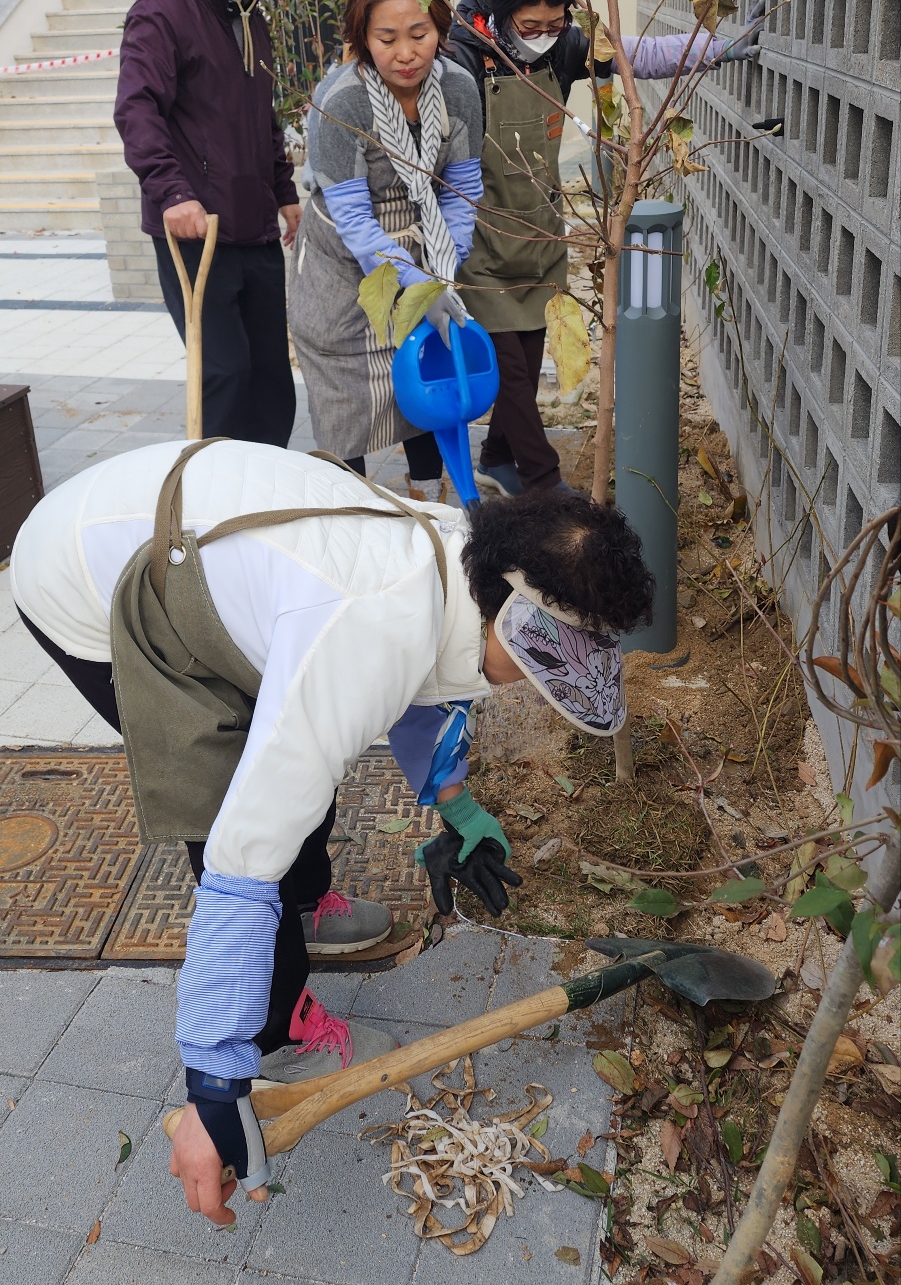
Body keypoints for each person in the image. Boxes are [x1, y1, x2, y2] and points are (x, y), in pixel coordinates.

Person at [10, 436, 653, 1225]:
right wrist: (213, 1084)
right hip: (91, 578)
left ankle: (310, 907)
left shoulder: (463, 560)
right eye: (540, 659)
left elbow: (419, 687)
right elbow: (242, 862)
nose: (536, 682)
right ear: (507, 608)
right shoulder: (366, 621)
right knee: (246, 816)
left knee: (296, 753)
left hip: (189, 538)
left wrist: (455, 807)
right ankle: (276, 1034)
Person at [450, 0, 765, 496]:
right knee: (513, 372)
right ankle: (542, 480)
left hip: (538, 227)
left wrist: (719, 47)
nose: (545, 34)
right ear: (503, 13)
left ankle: (498, 456)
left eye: (557, 22)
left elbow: (639, 55)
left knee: (524, 354)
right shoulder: (464, 56)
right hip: (478, 234)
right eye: (531, 25)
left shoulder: (567, 46)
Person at [114, 0, 302, 447]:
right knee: (225, 374)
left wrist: (285, 190)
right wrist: (172, 192)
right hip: (196, 229)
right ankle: (212, 504)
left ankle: (264, 495)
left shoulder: (247, 12)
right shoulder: (162, 8)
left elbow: (259, 108)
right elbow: (136, 109)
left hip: (253, 223)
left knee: (273, 379)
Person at [289, 0, 484, 501]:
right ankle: (350, 509)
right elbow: (352, 215)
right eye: (386, 38)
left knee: (423, 380)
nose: (405, 54)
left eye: (419, 34)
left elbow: (463, 190)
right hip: (343, 265)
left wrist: (442, 274)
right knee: (344, 399)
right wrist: (414, 282)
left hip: (425, 245)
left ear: (440, 25)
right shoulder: (342, 99)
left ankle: (428, 499)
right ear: (362, 37)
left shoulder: (457, 89)